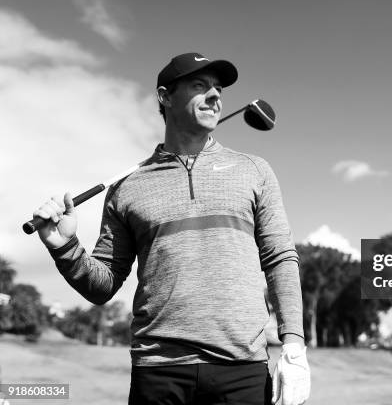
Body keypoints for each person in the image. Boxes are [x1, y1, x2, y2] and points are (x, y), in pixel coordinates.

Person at [32, 52, 310, 405]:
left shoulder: (254, 170)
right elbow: (102, 287)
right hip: (158, 371)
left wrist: (294, 344)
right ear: (165, 96)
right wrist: (64, 245)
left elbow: (280, 258)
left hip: (242, 369)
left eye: (218, 88)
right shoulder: (127, 187)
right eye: (199, 86)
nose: (215, 96)